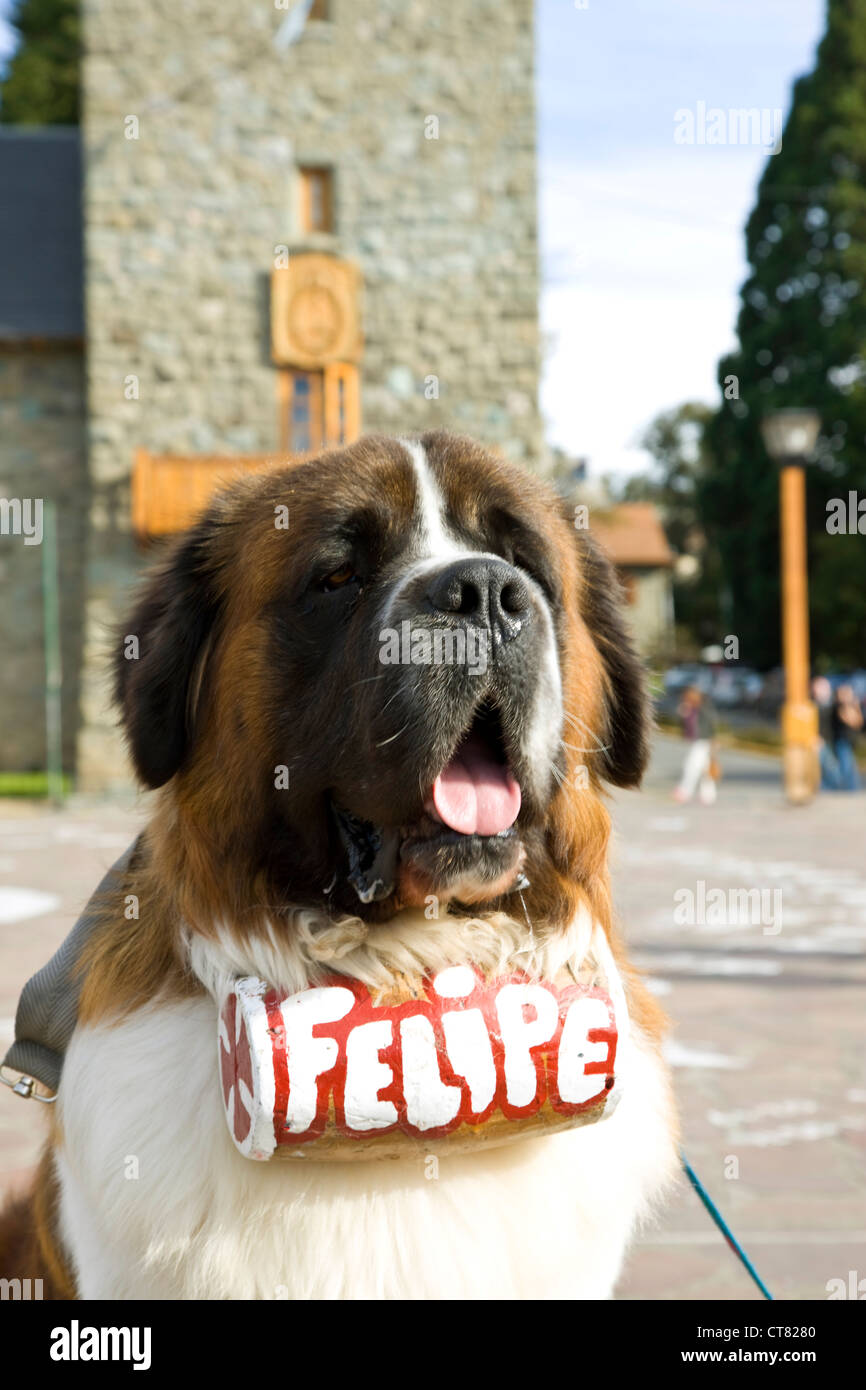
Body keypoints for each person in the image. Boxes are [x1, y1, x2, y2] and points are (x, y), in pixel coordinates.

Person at [673, 684, 717, 804]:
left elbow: (710, 724)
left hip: (703, 740)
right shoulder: (690, 708)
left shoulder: (703, 707)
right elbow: (684, 724)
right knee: (705, 768)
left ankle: (685, 791)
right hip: (698, 740)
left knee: (691, 766)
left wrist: (713, 740)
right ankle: (708, 795)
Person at [830, 683, 863, 791]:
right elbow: (849, 720)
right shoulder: (838, 707)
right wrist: (849, 706)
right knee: (845, 764)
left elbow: (858, 722)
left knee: (849, 764)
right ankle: (847, 787)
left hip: (851, 741)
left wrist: (855, 707)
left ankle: (851, 786)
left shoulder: (854, 706)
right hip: (841, 739)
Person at [812, 675, 840, 791]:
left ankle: (829, 789)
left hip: (833, 740)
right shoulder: (813, 705)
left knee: (833, 770)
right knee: (826, 769)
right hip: (820, 742)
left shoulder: (834, 704)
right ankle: (824, 790)